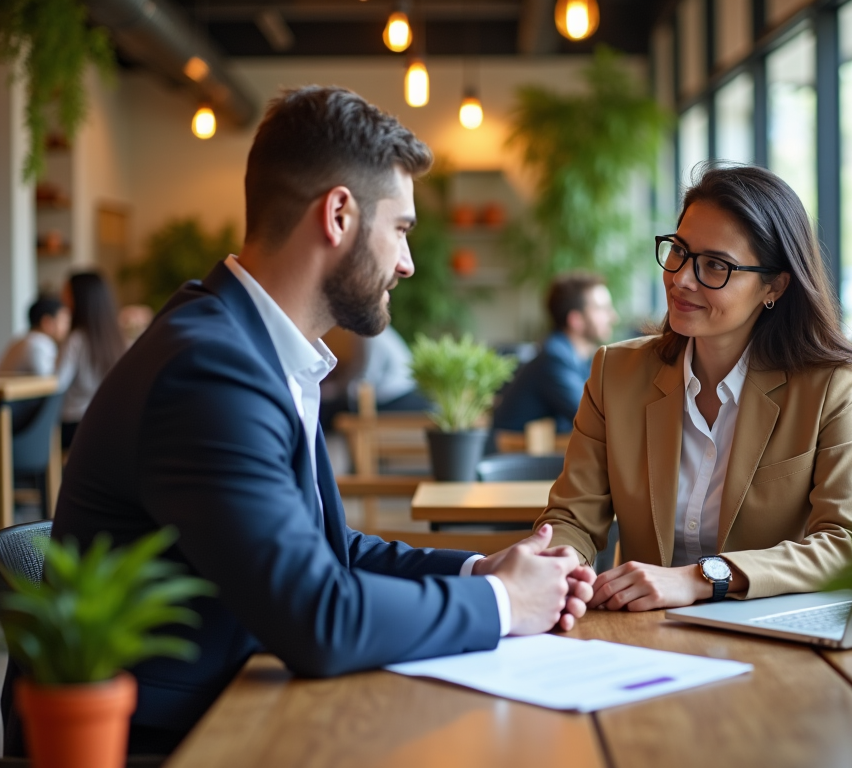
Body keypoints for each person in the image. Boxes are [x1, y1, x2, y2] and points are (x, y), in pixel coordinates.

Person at [36, 87, 594, 756]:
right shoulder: (210, 369)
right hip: (171, 743)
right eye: (402, 229)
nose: (408, 263)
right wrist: (506, 605)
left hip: (242, 704)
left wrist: (480, 572)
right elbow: (319, 618)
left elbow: (330, 551)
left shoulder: (246, 344)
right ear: (338, 214)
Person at [535, 164, 852, 612]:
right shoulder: (614, 373)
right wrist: (562, 566)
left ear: (773, 286)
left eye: (715, 265)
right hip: (642, 631)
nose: (681, 278)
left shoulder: (829, 385)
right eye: (678, 251)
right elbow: (573, 517)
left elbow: (848, 543)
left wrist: (701, 579)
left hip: (768, 634)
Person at [492, 273, 618, 435]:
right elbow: (595, 417)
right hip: (512, 456)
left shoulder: (577, 358)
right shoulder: (554, 358)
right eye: (603, 309)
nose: (613, 317)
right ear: (576, 320)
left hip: (537, 452)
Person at [56, 272, 126, 448]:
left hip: (75, 426)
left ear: (79, 299)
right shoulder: (117, 339)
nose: (62, 299)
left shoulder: (76, 340)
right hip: (111, 424)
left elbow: (56, 385)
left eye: (66, 294)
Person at [0, 295, 69, 375]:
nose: (67, 328)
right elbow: (50, 381)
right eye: (64, 322)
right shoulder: (38, 345)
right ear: (47, 323)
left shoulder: (23, 340)